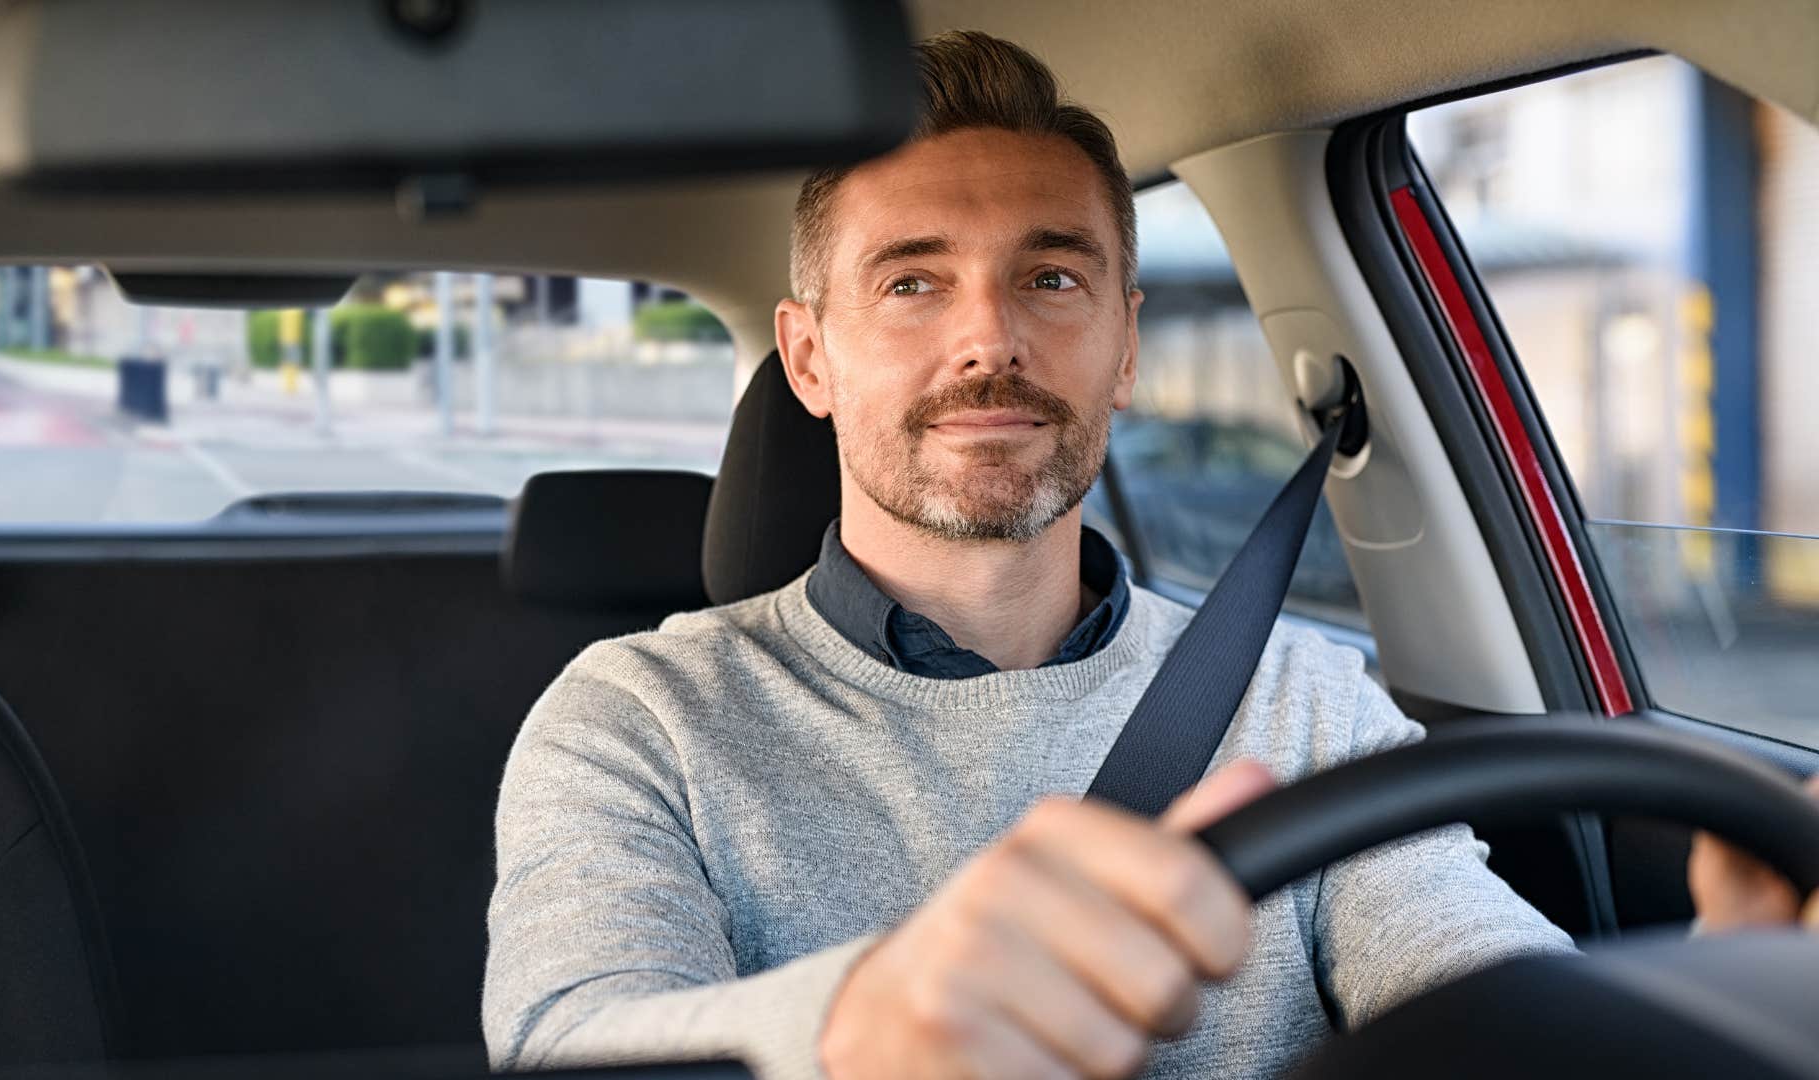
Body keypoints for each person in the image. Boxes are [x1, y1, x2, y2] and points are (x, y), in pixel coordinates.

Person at [483, 31, 1810, 1080]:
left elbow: (1476, 987)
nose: (987, 339)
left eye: (1051, 279)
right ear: (812, 354)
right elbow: (572, 1039)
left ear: (1125, 347)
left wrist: (1715, 994)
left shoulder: (1307, 698)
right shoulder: (635, 718)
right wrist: (856, 1029)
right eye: (912, 282)